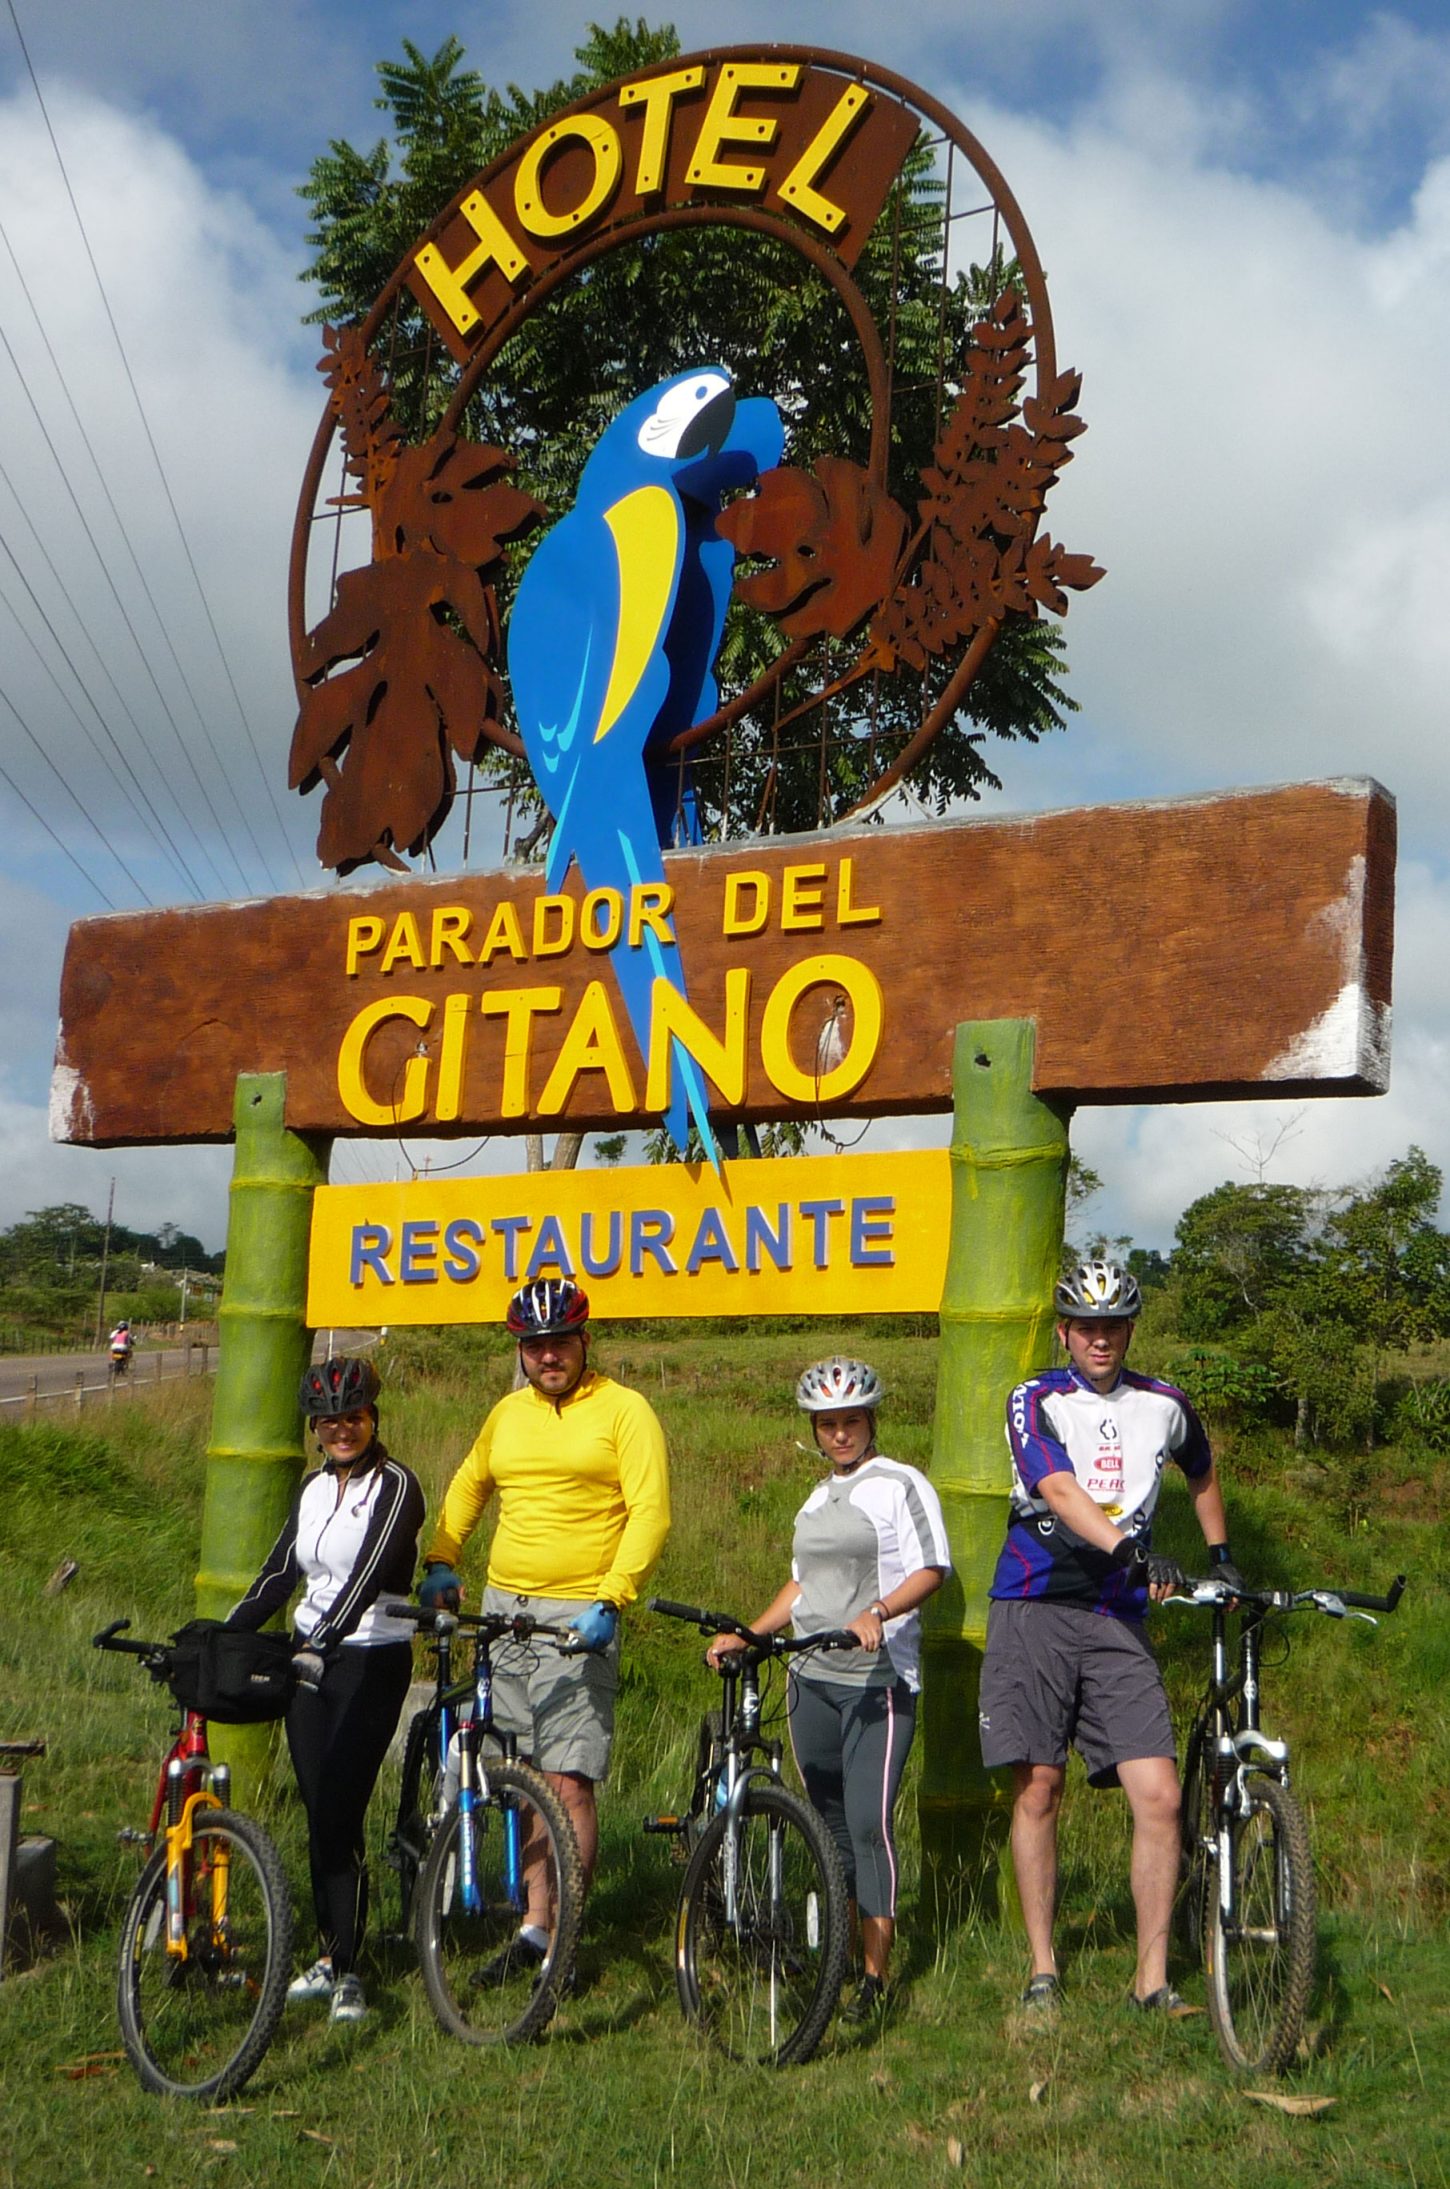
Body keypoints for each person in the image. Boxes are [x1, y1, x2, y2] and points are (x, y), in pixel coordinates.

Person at [978, 1260, 1244, 2015]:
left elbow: (1202, 1467)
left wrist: (1220, 1556)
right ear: (1064, 1330)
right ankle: (1042, 1968)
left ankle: (1151, 1979)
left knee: (1159, 1796)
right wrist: (1130, 1549)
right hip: (1034, 1602)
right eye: (1086, 1325)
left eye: (1114, 1325)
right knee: (1039, 1788)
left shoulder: (1164, 1402)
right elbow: (1057, 1491)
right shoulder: (1035, 1397)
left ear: (1131, 1330)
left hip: (1116, 1616)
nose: (1100, 1338)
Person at [419, 1277, 670, 1976]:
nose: (548, 1355)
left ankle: (564, 1934)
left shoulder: (625, 1410)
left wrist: (613, 1597)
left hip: (580, 1614)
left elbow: (651, 1511)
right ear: (522, 1351)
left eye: (560, 1341)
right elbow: (472, 1482)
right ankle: (534, 1925)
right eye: (535, 1345)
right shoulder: (507, 1413)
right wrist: (442, 1556)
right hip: (504, 1610)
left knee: (569, 1781)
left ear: (585, 1341)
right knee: (523, 1773)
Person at [707, 1355, 951, 2024]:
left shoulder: (901, 1485)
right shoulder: (815, 1499)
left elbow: (934, 1567)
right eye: (827, 1424)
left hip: (878, 1681)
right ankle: (838, 1955)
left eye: (850, 1421)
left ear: (871, 1421)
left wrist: (881, 1610)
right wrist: (750, 1634)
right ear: (814, 1430)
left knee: (870, 1826)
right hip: (809, 1677)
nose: (840, 1434)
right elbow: (802, 1585)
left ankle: (875, 1974)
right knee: (827, 1825)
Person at [226, 1355, 423, 2025]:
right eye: (329, 1419)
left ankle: (350, 1971)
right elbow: (281, 1571)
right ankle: (331, 1953)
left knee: (340, 1802)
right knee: (319, 1813)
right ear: (316, 1427)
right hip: (309, 1663)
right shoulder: (313, 1488)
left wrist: (323, 1641)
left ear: (374, 1417)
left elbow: (368, 1573)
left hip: (371, 1657)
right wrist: (224, 1634)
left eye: (354, 1415)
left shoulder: (398, 1484)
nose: (342, 1427)